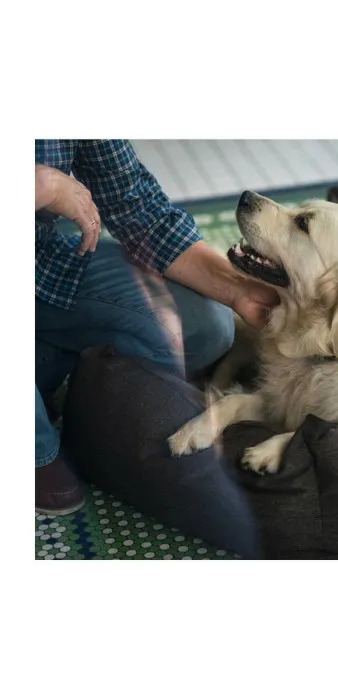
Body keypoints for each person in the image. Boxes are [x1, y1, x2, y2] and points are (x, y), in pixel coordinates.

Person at [35, 139, 278, 515]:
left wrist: (237, 288)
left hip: (37, 262)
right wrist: (39, 185)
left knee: (204, 325)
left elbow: (134, 202)